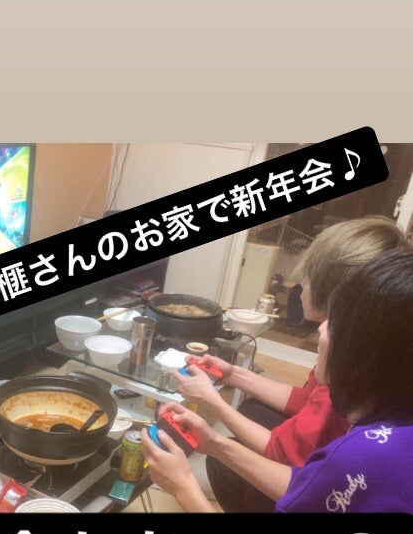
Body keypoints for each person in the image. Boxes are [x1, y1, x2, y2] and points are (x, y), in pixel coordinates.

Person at [140, 248, 413, 534]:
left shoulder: (365, 458)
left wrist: (184, 487)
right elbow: (307, 488)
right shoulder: (392, 437)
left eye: (336, 325)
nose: (321, 330)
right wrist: (212, 441)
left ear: (364, 356)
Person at [173, 216, 407, 512]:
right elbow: (306, 398)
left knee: (229, 469)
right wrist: (232, 376)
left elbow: (290, 465)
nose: (321, 330)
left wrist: (183, 485)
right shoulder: (372, 381)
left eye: (307, 276)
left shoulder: (354, 452)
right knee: (252, 410)